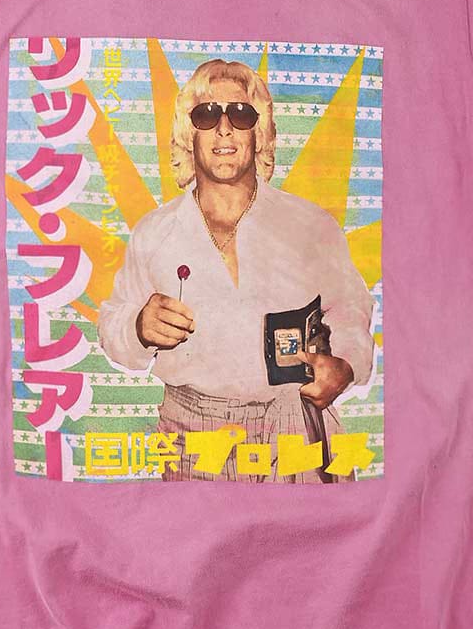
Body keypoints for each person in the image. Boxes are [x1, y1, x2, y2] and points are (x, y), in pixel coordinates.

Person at [97, 58, 375, 481]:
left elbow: (351, 309)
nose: (224, 128)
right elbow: (112, 324)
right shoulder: (154, 233)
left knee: (312, 527)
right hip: (192, 434)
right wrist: (138, 326)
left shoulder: (311, 225)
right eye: (207, 114)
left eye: (241, 115)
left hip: (295, 422)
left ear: (258, 133)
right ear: (188, 133)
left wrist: (346, 365)